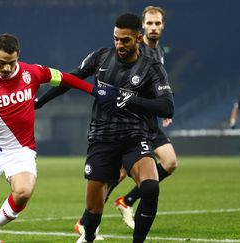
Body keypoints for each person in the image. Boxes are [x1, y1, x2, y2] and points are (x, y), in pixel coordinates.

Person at [0, 33, 116, 243]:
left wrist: (92, 90)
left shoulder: (33, 72)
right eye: (1, 63)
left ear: (18, 56)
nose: (6, 68)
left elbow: (64, 78)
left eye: (11, 62)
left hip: (20, 150)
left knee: (23, 192)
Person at [37, 12, 174, 243]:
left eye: (125, 40)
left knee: (150, 188)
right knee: (93, 210)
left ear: (138, 39)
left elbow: (167, 107)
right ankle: (89, 235)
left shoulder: (152, 68)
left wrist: (130, 99)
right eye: (116, 39)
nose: (119, 44)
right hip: (102, 138)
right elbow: (70, 78)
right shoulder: (100, 57)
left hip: (134, 136)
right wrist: (40, 101)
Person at [112, 5, 178, 230]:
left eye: (157, 23)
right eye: (149, 23)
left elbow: (158, 87)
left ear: (163, 26)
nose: (153, 27)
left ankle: (126, 201)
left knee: (169, 163)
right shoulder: (137, 51)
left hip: (149, 120)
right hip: (132, 122)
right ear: (142, 27)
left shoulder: (158, 52)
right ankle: (86, 221)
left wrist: (164, 110)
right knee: (117, 173)